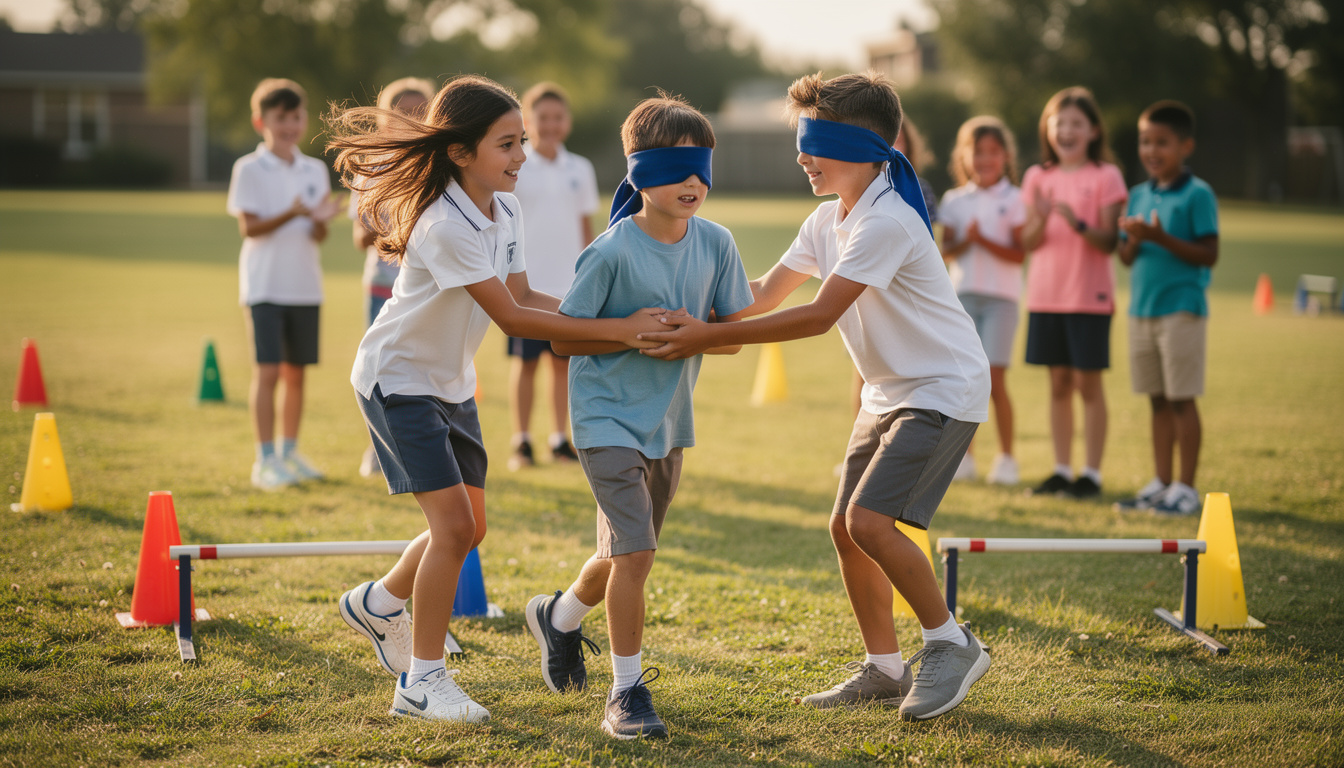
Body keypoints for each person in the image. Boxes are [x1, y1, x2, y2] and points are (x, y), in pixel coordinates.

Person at [639, 71, 992, 722]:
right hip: (890, 392)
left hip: (943, 388)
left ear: (860, 145)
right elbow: (761, 296)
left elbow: (815, 316)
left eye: (813, 143)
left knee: (869, 524)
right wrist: (672, 303)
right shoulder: (827, 220)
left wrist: (699, 338)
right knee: (846, 529)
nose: (800, 156)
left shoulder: (885, 220)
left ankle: (952, 642)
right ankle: (885, 670)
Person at [325, 75, 668, 723]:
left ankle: (378, 604)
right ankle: (422, 684)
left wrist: (609, 316)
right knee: (454, 529)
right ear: (460, 152)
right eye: (508, 144)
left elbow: (528, 294)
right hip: (397, 382)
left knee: (470, 528)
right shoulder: (442, 224)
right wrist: (617, 332)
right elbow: (512, 320)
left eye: (524, 143)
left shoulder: (504, 210)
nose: (521, 157)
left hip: (451, 385)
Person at [523, 94, 753, 740]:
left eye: (701, 169)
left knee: (625, 552)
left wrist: (694, 332)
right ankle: (627, 693)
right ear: (639, 174)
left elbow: (734, 335)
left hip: (667, 424)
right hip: (604, 421)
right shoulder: (611, 251)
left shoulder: (717, 243)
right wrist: (626, 331)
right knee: (638, 551)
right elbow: (564, 339)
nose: (693, 183)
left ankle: (560, 617)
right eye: (677, 169)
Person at [226, 78, 340, 491]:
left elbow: (317, 236)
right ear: (261, 121)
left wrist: (318, 221)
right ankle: (265, 459)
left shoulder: (314, 169)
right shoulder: (249, 168)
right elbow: (250, 228)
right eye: (280, 118)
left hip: (305, 285)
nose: (290, 126)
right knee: (268, 371)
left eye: (296, 117)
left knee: (297, 374)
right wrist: (292, 213)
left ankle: (290, 452)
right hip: (264, 286)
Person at [1019, 87, 1128, 499]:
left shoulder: (1106, 176)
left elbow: (1109, 242)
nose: (1066, 131)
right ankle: (1062, 470)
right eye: (1059, 122)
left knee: (1089, 386)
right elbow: (1027, 242)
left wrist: (1078, 223)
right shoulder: (1036, 178)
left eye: (1076, 124)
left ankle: (1092, 475)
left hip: (1089, 297)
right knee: (1058, 385)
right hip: (1045, 297)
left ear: (1094, 130)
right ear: (1048, 129)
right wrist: (1042, 219)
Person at [1115, 100, 1218, 515]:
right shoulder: (1138, 194)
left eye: (1162, 142)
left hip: (1182, 309)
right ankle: (1161, 482)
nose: (1152, 151)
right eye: (1145, 142)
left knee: (1181, 399)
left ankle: (1186, 488)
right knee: (1156, 399)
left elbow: (1208, 253)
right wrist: (1137, 239)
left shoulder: (1198, 194)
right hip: (1142, 310)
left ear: (1185, 146)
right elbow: (1125, 257)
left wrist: (1158, 237)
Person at [505, 82, 599, 470]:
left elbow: (586, 227)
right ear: (528, 121)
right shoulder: (517, 166)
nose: (551, 124)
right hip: (525, 284)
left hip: (568, 283)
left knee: (563, 362)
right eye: (542, 117)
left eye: (558, 117)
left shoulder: (580, 168)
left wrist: (590, 276)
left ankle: (560, 438)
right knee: (525, 363)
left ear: (568, 122)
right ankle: (521, 440)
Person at [350, 76, 436, 478]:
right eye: (404, 112)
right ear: (385, 119)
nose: (414, 119)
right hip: (384, 286)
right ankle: (378, 449)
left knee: (426, 369)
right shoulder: (372, 167)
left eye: (422, 111)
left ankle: (429, 448)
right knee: (383, 371)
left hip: (429, 289)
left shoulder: (439, 164)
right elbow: (360, 235)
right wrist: (398, 215)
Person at [940, 116, 1027, 485]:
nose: (985, 159)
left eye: (993, 152)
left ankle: (1007, 459)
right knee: (963, 380)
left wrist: (984, 239)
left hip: (1001, 300)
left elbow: (1019, 254)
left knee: (994, 378)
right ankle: (964, 458)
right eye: (978, 152)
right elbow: (946, 250)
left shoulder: (1016, 198)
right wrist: (967, 240)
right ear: (964, 156)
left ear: (1005, 156)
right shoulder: (955, 201)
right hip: (962, 298)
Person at [847, 117, 938, 418]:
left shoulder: (917, 191)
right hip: (868, 286)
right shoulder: (857, 198)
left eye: (899, 142)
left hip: (901, 289)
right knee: (866, 369)